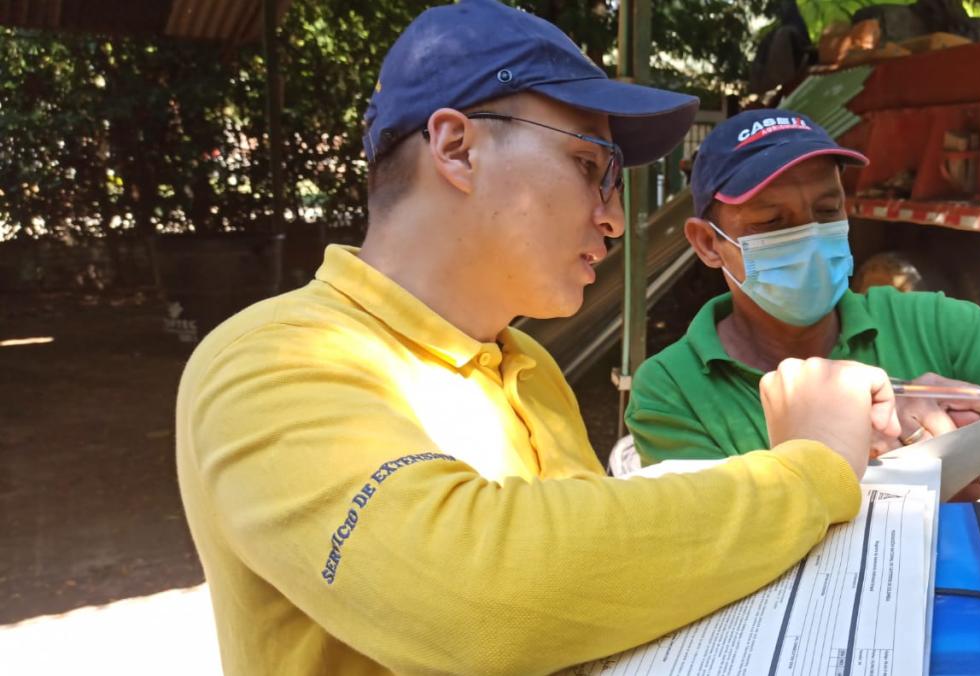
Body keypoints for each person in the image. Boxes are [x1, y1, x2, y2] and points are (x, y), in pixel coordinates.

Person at [175, 3, 908, 674]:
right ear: (457, 148)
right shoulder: (268, 359)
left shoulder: (527, 368)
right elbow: (472, 596)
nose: (615, 218)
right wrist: (809, 471)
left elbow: (578, 576)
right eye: (592, 167)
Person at [625, 108, 980, 597]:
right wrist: (890, 475)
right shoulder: (670, 388)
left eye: (827, 213)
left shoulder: (924, 319)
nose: (808, 238)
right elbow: (717, 561)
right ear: (707, 243)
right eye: (774, 223)